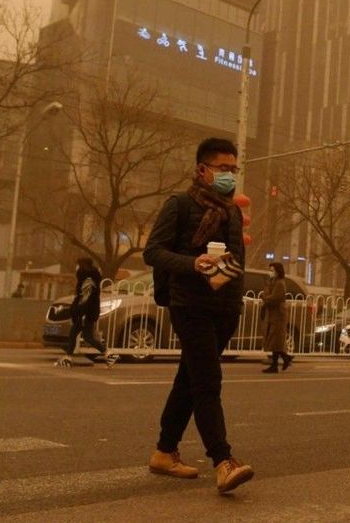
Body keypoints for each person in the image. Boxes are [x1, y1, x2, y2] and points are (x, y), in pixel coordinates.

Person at [143, 137, 254, 494]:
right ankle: (223, 461)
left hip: (224, 307)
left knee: (188, 381)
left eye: (233, 170)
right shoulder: (179, 204)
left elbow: (237, 261)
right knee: (207, 382)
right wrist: (193, 263)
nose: (229, 176)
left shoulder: (233, 211)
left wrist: (234, 298)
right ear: (202, 169)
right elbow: (153, 252)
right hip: (189, 305)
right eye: (223, 169)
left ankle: (164, 451)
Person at [55, 258, 118, 368]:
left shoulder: (88, 280)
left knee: (74, 334)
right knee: (86, 336)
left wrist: (80, 313)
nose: (76, 268)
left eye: (77, 265)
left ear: (82, 266)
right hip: (88, 312)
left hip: (85, 313)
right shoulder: (90, 278)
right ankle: (108, 354)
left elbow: (84, 299)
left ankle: (68, 358)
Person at [260, 262, 294, 373]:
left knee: (276, 339)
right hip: (273, 314)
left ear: (278, 271)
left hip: (278, 315)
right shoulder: (273, 282)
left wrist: (264, 298)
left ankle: (280, 362)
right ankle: (284, 359)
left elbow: (274, 298)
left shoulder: (280, 283)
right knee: (274, 340)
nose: (271, 272)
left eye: (272, 270)